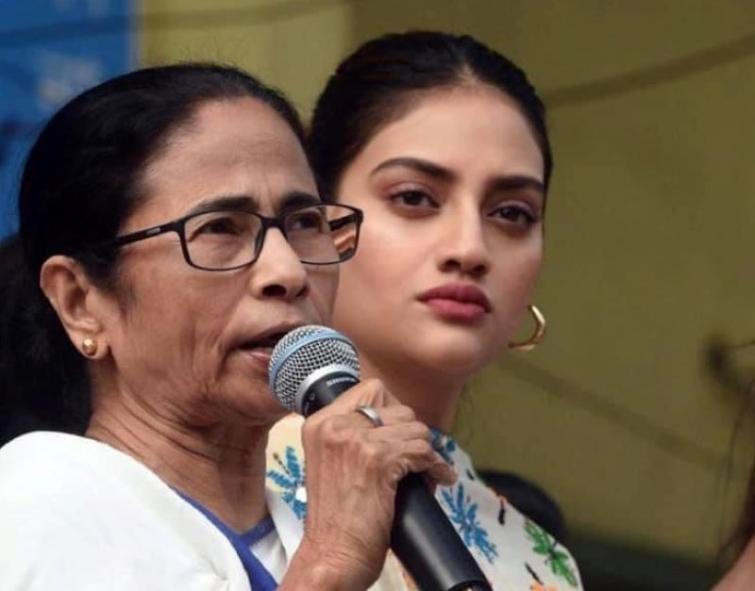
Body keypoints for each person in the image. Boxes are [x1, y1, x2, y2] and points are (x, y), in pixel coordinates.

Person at [0, 63, 456, 590]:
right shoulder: (39, 504)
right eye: (219, 228)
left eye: (304, 223)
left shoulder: (328, 533)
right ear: (80, 301)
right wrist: (329, 566)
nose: (288, 271)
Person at [266, 31, 583, 590]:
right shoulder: (224, 486)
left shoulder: (540, 561)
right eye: (414, 198)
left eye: (511, 212)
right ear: (316, 225)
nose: (470, 248)